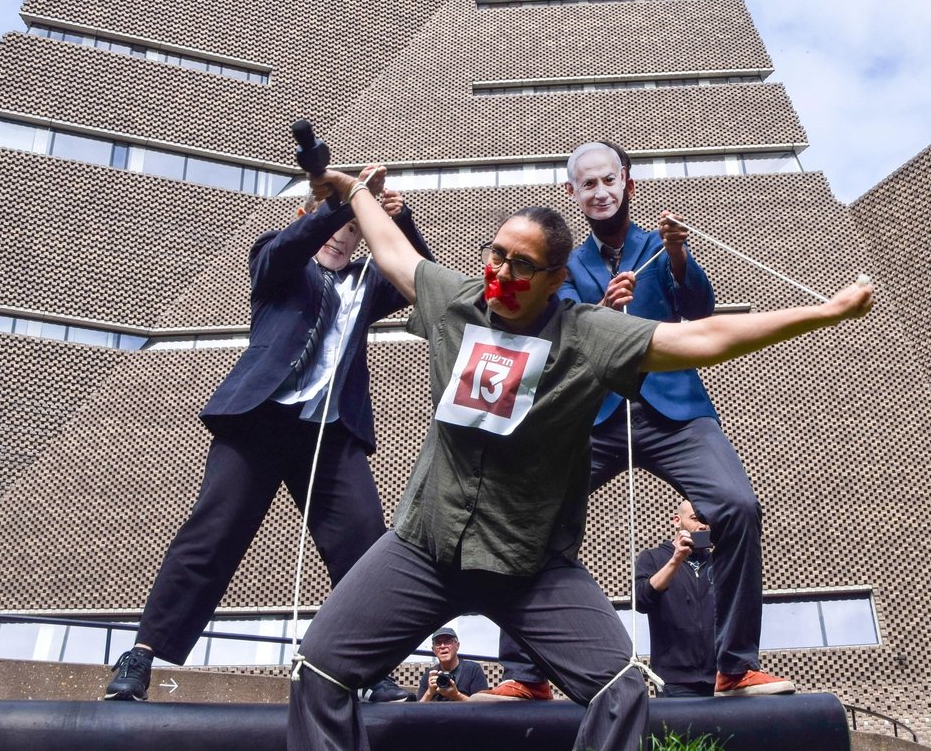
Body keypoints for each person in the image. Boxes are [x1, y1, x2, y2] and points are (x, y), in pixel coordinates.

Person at [285, 163, 873, 751]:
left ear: (555, 278)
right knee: (319, 671)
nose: (502, 273)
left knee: (622, 690)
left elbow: (700, 338)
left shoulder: (588, 334)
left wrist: (823, 313)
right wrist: (356, 190)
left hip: (530, 566)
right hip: (425, 549)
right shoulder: (456, 301)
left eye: (523, 265)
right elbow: (391, 251)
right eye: (496, 255)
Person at [104, 174, 428, 704]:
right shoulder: (279, 261)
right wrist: (339, 201)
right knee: (213, 534)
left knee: (366, 544)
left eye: (353, 229)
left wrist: (397, 219)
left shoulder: (369, 285)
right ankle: (141, 656)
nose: (341, 237)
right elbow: (286, 247)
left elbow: (420, 275)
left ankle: (372, 670)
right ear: (307, 216)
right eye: (333, 224)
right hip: (258, 421)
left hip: (329, 433)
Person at [486, 140, 792, 699]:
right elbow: (560, 336)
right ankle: (529, 677)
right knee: (529, 516)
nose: (600, 192)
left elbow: (699, 311)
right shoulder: (565, 266)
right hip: (597, 416)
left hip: (675, 412)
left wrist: (678, 257)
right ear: (573, 194)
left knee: (738, 506)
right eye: (588, 184)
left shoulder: (660, 245)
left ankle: (735, 666)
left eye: (609, 180)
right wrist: (602, 313)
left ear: (627, 182)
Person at [635, 500, 716, 697]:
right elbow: (641, 600)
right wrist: (676, 560)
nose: (702, 525)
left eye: (706, 520)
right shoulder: (651, 558)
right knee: (679, 729)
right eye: (696, 519)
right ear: (676, 521)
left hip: (718, 676)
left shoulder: (718, 561)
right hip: (674, 679)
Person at [416, 627, 488, 702]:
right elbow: (416, 711)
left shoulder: (473, 670)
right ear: (433, 650)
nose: (442, 646)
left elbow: (483, 707)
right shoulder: (430, 675)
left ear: (457, 645)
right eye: (438, 643)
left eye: (447, 641)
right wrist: (429, 692)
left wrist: (456, 695)